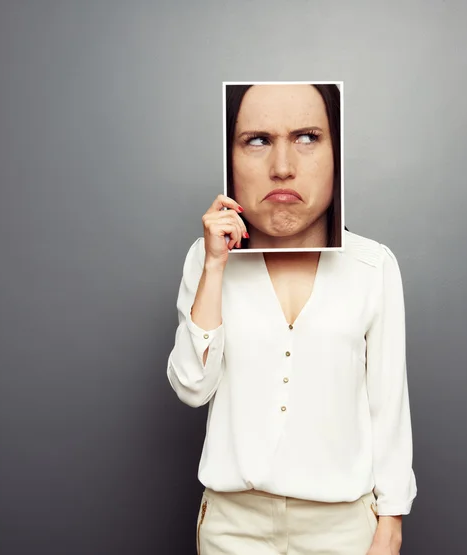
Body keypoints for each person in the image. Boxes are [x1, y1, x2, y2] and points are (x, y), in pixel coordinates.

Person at [167, 83, 417, 555]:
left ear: (336, 152)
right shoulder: (207, 260)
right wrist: (215, 266)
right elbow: (191, 387)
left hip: (341, 526)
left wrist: (391, 521)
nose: (283, 167)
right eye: (257, 140)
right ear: (231, 157)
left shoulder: (372, 265)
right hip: (233, 525)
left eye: (307, 137)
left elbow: (389, 404)